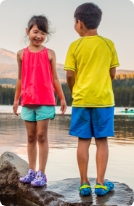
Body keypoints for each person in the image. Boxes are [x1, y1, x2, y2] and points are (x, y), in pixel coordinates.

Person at [64, 3, 119, 196]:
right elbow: (112, 72)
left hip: (81, 100)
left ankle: (84, 183)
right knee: (102, 141)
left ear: (79, 23)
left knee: (83, 141)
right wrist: (102, 85)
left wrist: (74, 91)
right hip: (103, 101)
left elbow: (70, 75)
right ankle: (101, 184)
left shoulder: (75, 45)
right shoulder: (108, 44)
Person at [13, 15, 66, 187]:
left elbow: (56, 79)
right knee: (30, 137)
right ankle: (32, 171)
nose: (39, 36)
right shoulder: (21, 54)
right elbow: (20, 79)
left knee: (42, 137)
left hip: (45, 101)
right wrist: (15, 101)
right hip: (27, 101)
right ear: (28, 31)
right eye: (36, 32)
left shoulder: (49, 53)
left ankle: (42, 174)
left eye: (43, 33)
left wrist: (63, 98)